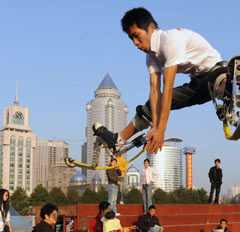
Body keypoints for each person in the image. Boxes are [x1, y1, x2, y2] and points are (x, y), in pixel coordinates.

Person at [92, 7, 224, 155]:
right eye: (131, 39)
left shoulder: (170, 41)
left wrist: (161, 130)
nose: (135, 43)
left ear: (151, 28)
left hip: (216, 71)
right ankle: (118, 141)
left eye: (137, 36)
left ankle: (234, 89)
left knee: (218, 82)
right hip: (198, 83)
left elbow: (167, 88)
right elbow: (154, 91)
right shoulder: (150, 58)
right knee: (152, 103)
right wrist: (154, 127)